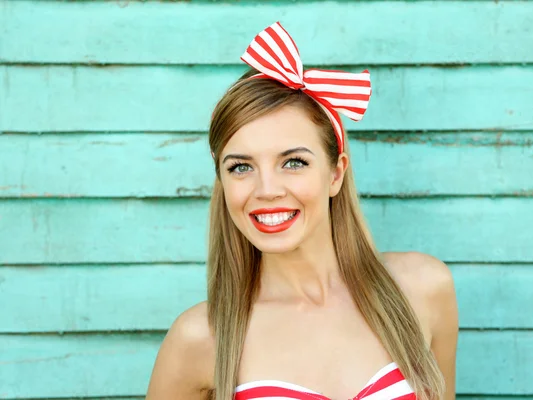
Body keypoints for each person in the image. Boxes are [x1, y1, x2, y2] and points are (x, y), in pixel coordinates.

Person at [145, 21, 458, 400]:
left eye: (293, 162)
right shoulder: (199, 340)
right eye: (241, 167)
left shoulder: (423, 288)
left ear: (336, 174)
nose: (267, 190)